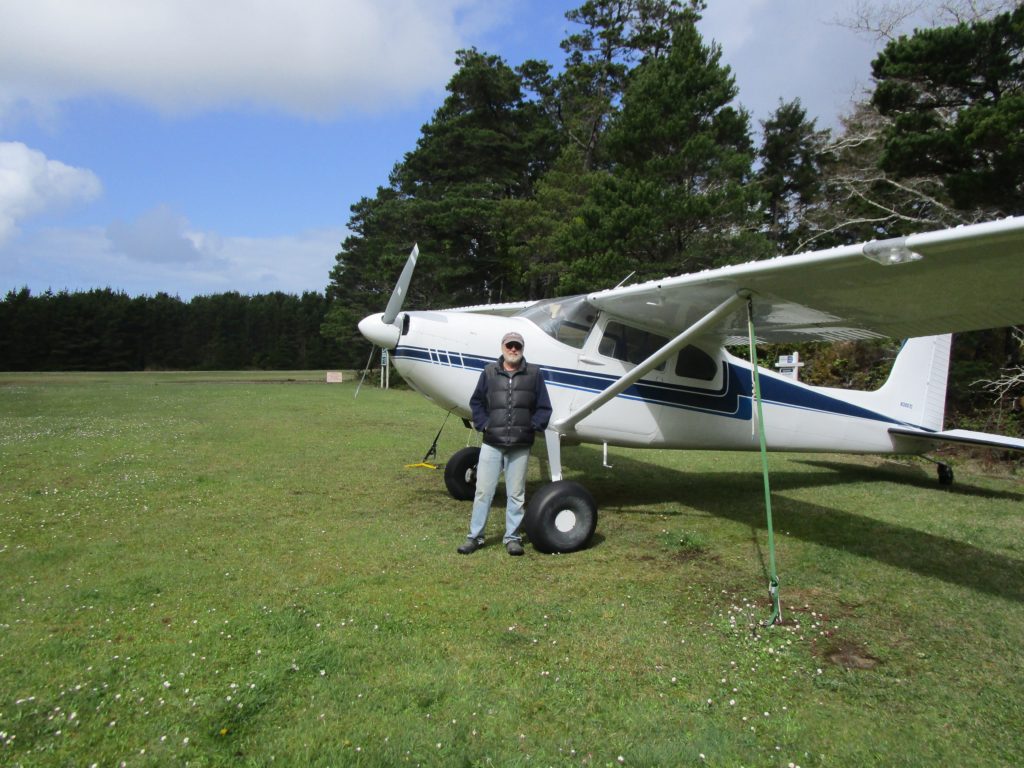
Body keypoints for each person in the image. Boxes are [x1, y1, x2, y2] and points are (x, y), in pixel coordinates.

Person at [459, 331, 552, 556]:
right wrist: (484, 425)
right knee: (483, 491)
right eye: (509, 345)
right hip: (492, 443)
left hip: (520, 445)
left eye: (517, 346)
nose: (513, 349)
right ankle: (475, 537)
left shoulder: (534, 374)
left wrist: (532, 427)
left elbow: (544, 408)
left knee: (516, 494)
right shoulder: (489, 372)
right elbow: (476, 402)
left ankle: (512, 538)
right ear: (502, 347)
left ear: (522, 349)